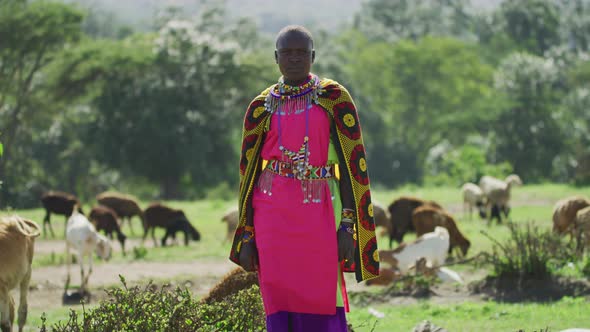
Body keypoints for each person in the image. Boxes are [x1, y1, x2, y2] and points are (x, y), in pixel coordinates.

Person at [229, 25, 379, 332]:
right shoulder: (261, 107)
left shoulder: (334, 98)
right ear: (276, 57)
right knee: (277, 294)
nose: (294, 58)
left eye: (301, 53)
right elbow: (247, 176)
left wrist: (348, 226)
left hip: (320, 211)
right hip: (271, 215)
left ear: (312, 56)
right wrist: (247, 233)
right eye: (287, 52)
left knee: (321, 292)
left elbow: (353, 167)